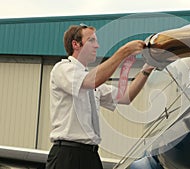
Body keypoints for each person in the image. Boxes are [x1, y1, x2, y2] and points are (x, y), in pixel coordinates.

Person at [46, 24, 154, 169]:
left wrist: (147, 68)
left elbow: (126, 97)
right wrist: (124, 51)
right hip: (67, 155)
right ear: (76, 44)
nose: (97, 46)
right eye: (91, 41)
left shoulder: (89, 81)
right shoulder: (63, 69)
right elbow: (91, 81)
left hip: (90, 155)